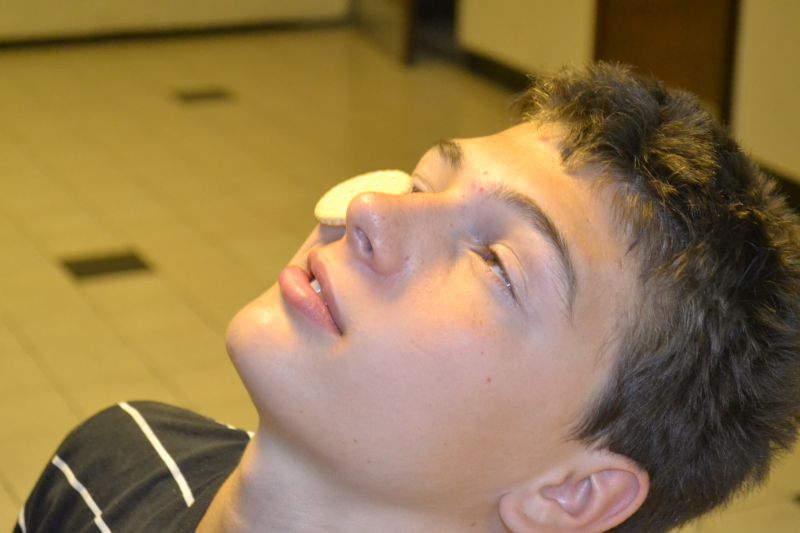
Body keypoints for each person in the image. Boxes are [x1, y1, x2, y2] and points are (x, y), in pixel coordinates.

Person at [15, 63, 800, 533]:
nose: (369, 210)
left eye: (495, 262)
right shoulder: (111, 466)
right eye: (425, 182)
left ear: (569, 493)